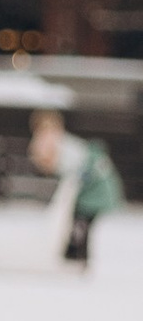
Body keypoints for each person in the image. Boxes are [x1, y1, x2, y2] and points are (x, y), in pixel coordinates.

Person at [29, 107, 123, 270]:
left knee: (81, 222)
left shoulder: (65, 147)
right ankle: (73, 256)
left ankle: (76, 257)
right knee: (78, 221)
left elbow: (79, 170)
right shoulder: (60, 145)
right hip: (87, 191)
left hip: (94, 190)